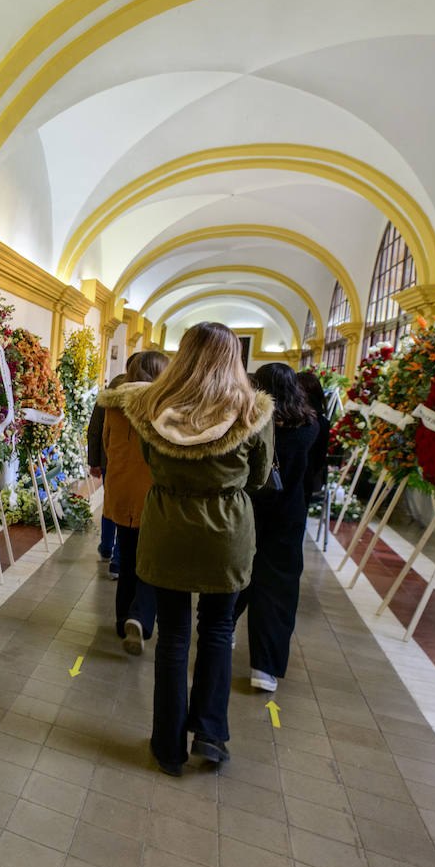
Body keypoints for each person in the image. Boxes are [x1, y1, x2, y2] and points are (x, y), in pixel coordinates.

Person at [100, 322, 273, 775]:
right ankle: (211, 734)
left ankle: (168, 746)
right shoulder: (251, 411)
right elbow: (259, 477)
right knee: (217, 630)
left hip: (168, 527)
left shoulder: (153, 407)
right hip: (226, 533)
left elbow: (149, 460)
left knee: (174, 636)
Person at [235, 364, 319, 692]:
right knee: (278, 588)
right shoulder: (310, 425)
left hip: (250, 506)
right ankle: (265, 666)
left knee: (238, 571)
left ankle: (224, 628)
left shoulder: (250, 421)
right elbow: (314, 472)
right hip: (289, 513)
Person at [96, 352, 169, 655]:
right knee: (151, 562)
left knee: (126, 557)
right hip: (153, 493)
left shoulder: (113, 406)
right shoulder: (162, 407)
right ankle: (139, 618)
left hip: (120, 488)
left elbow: (106, 443)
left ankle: (121, 619)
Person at [89, 373, 127, 579]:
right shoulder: (144, 397)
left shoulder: (108, 395)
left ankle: (106, 547)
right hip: (132, 462)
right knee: (127, 510)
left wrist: (94, 461)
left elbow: (94, 431)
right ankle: (118, 560)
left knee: (110, 503)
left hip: (108, 459)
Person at [295, 370, 330, 502]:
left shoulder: (297, 422)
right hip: (309, 478)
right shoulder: (323, 422)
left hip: (297, 478)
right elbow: (320, 457)